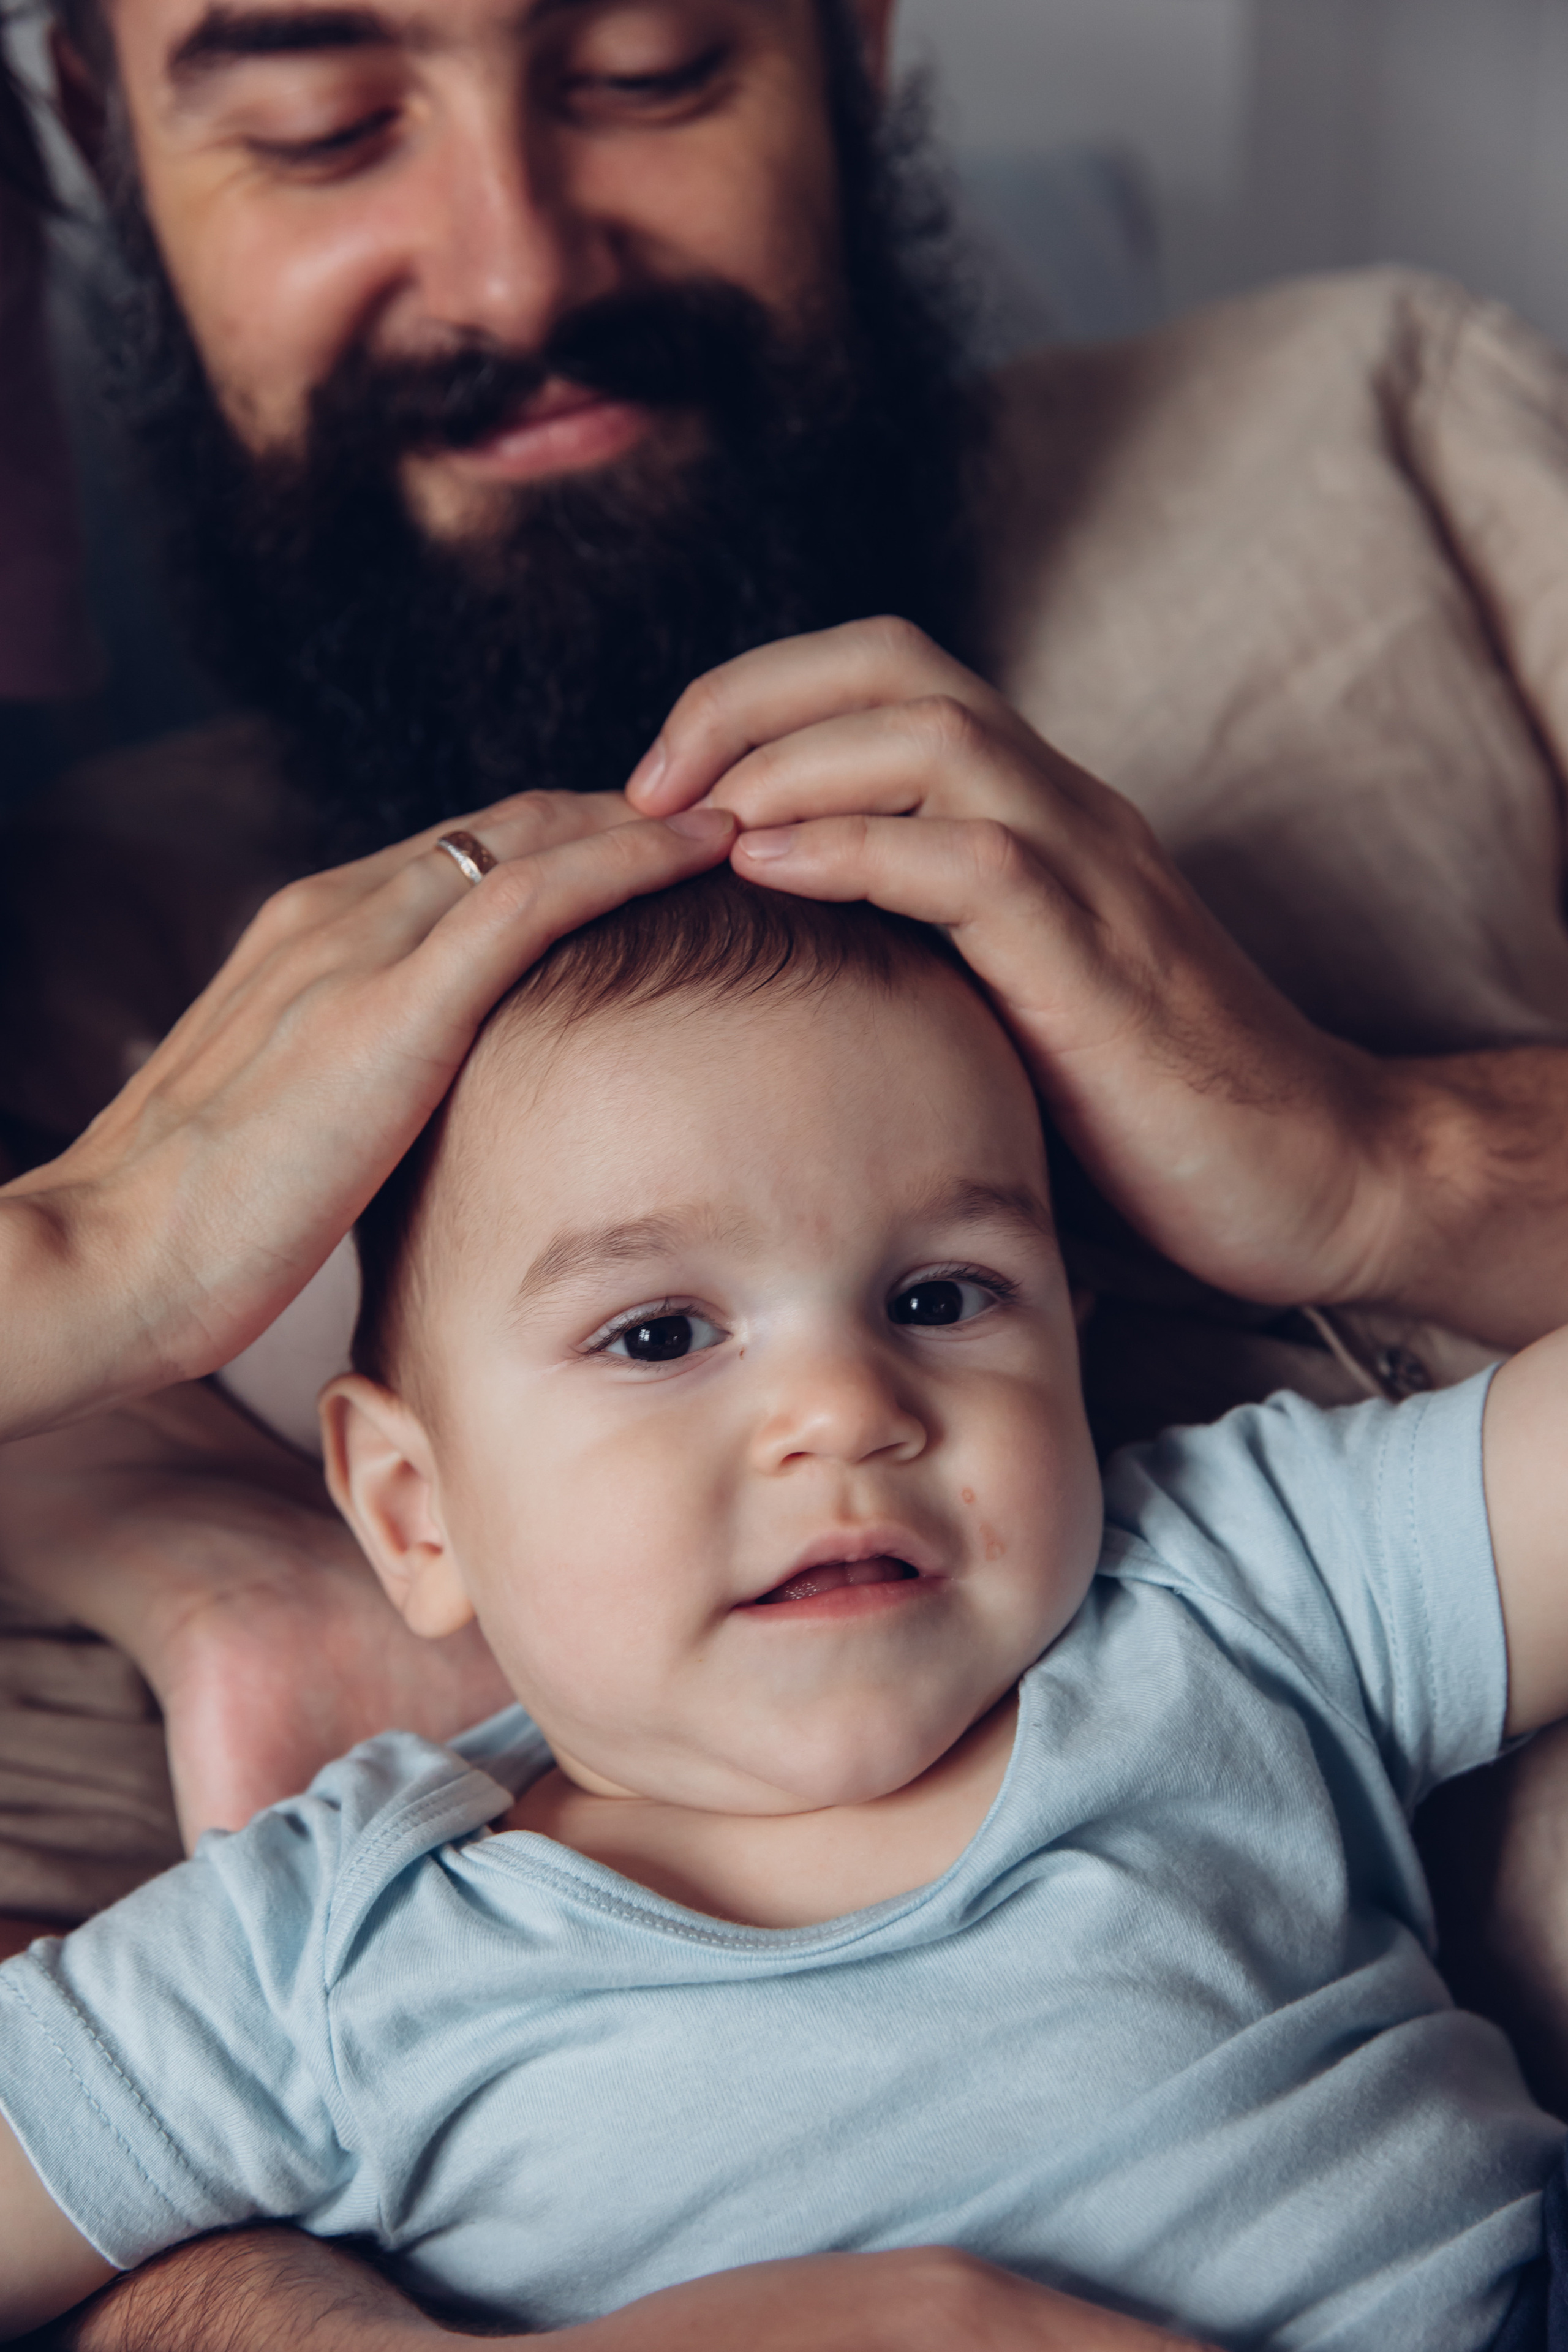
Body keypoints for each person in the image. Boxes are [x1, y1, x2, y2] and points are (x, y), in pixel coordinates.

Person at [5, 0, 1568, 2327]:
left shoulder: (1392, 430)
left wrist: (1380, 1149)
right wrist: (75, 1260)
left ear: (855, 44)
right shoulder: (334, 1928)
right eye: (329, 126)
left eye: (645, 65)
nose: (515, 269)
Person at [6, 861, 1568, 2352]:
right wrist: (51, 1283)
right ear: (417, 1512)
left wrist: (1365, 1158)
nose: (842, 1403)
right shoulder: (318, 1953)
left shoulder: (1232, 1588)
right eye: (660, 1331)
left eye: (941, 1297)